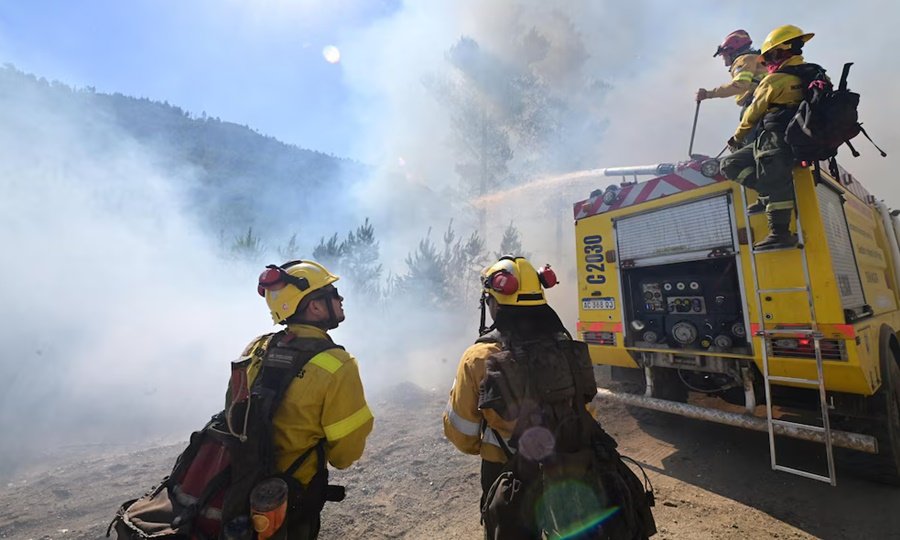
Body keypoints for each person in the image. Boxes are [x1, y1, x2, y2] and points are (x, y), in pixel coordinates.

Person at [443, 256, 656, 539]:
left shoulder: (479, 357)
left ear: (493, 303)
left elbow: (462, 433)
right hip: (576, 463)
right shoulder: (568, 349)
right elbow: (586, 412)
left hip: (508, 474)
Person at [249, 259, 374, 538]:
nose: (340, 298)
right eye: (331, 293)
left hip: (243, 482)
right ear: (315, 306)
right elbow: (345, 454)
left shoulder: (257, 348)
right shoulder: (338, 365)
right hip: (295, 497)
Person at [720, 24, 816, 250]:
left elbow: (753, 112)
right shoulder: (815, 73)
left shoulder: (775, 80)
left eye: (769, 55)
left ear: (777, 52)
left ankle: (780, 233)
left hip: (776, 136)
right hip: (804, 135)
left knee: (764, 174)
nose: (766, 61)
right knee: (759, 171)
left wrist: (736, 138)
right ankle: (765, 194)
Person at [696, 29, 767, 114]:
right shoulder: (756, 58)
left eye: (724, 55)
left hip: (758, 101)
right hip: (765, 97)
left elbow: (740, 85)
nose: (723, 58)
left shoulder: (744, 60)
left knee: (746, 126)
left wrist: (708, 94)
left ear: (730, 51)